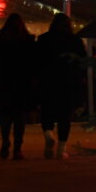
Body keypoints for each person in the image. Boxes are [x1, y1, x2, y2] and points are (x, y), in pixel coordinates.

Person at [36, 13, 86, 159]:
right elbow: (81, 62)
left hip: (48, 81)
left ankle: (48, 132)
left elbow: (37, 61)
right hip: (68, 82)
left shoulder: (44, 39)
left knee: (47, 112)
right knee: (65, 116)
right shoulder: (75, 41)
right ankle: (61, 148)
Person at [0, 13, 36, 160]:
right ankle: (18, 147)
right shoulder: (27, 41)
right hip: (21, 83)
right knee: (19, 117)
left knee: (5, 115)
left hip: (4, 82)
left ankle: (5, 140)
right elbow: (33, 64)